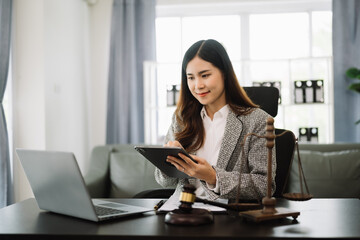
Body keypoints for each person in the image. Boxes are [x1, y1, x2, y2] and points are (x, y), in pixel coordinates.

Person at [155, 39, 276, 201]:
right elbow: (164, 181)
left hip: (229, 216)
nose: (198, 85)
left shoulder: (258, 120)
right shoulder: (182, 119)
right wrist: (169, 161)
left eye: (205, 75)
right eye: (191, 78)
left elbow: (265, 186)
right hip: (183, 211)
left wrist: (213, 177)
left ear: (224, 73)